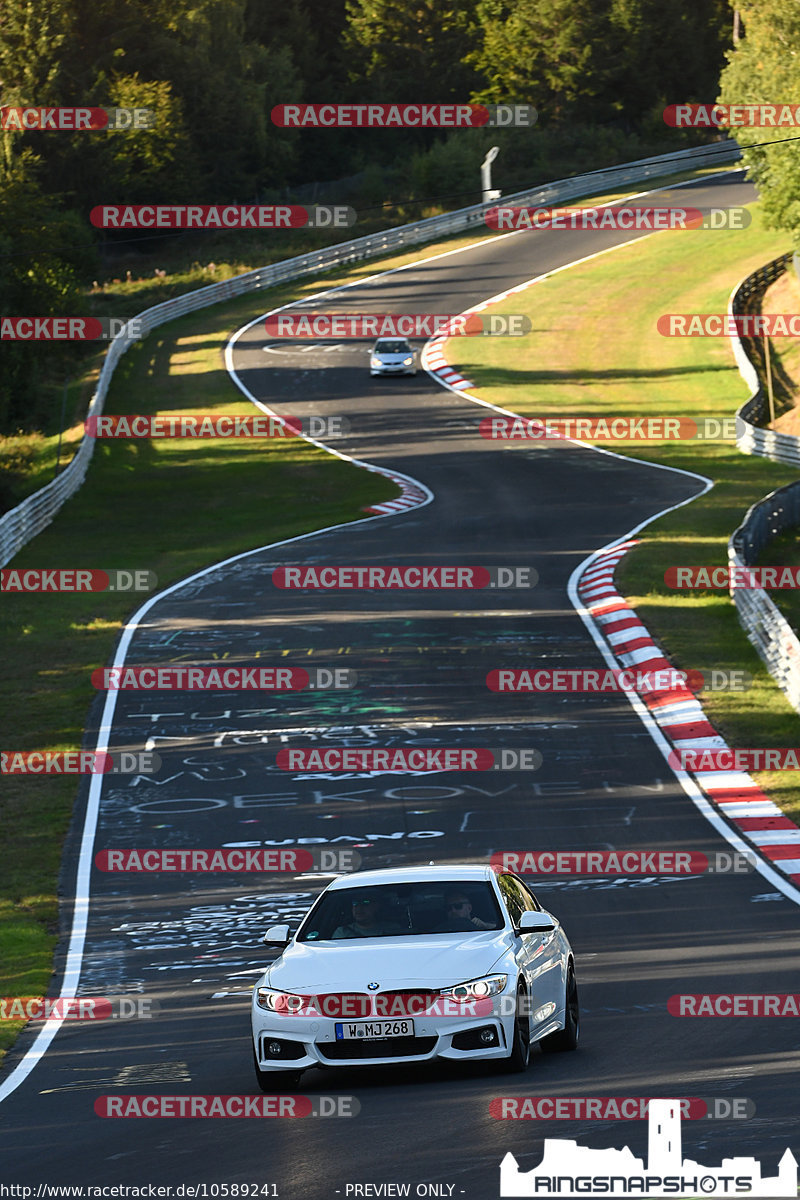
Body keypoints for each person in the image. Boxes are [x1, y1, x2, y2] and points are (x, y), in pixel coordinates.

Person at [332, 894, 405, 938]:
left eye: (365, 903)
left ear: (376, 907)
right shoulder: (342, 932)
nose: (359, 908)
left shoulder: (393, 929)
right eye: (355, 903)